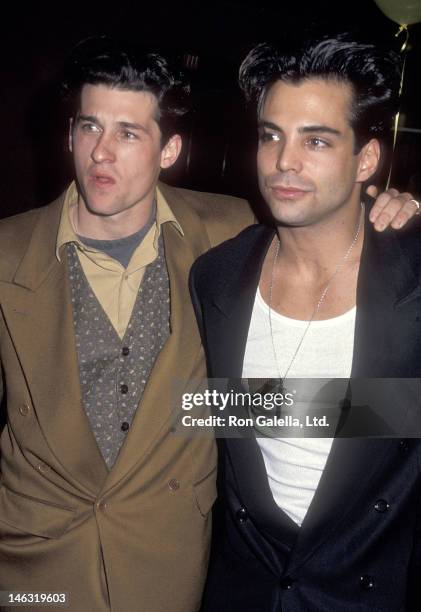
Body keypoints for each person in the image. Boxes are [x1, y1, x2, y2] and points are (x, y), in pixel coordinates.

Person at [0, 36, 414, 612]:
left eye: (128, 133)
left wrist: (399, 214)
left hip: (178, 567)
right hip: (35, 570)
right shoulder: (224, 266)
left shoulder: (224, 236)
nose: (100, 152)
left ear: (169, 149)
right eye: (89, 127)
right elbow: (211, 406)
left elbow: (209, 407)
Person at [190, 34, 421, 611]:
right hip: (246, 590)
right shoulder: (216, 277)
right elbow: (217, 419)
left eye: (315, 140)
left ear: (366, 159)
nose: (284, 162)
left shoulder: (414, 277)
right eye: (272, 135)